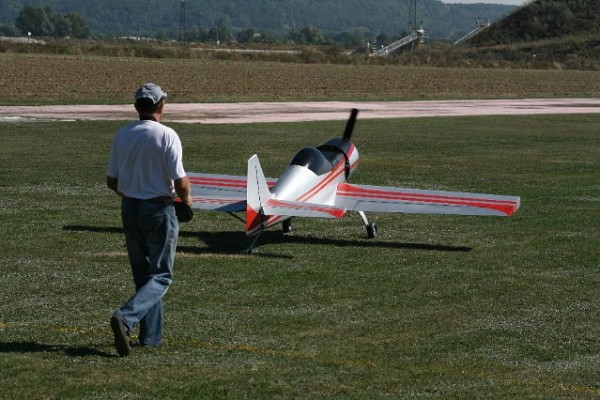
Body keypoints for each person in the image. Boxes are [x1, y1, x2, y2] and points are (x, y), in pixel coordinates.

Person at [106, 83, 192, 356]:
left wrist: (132, 193)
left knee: (144, 276)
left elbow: (112, 180)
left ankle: (151, 337)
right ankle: (126, 317)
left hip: (129, 208)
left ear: (136, 107)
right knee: (162, 276)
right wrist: (186, 202)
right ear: (161, 106)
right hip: (158, 209)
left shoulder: (122, 135)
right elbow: (181, 180)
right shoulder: (167, 135)